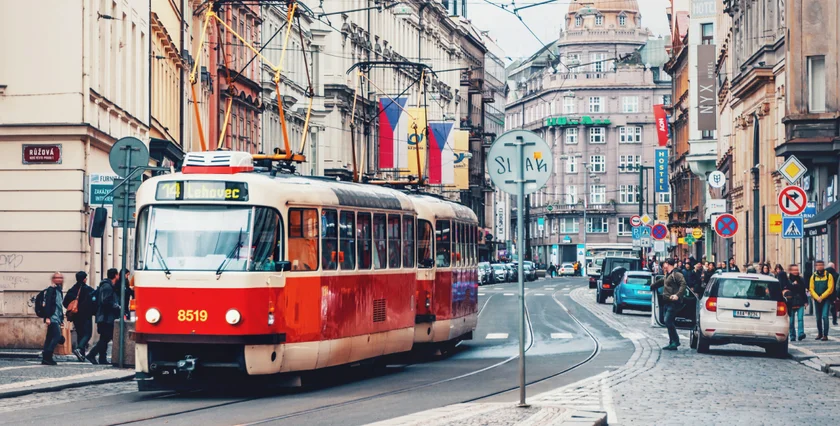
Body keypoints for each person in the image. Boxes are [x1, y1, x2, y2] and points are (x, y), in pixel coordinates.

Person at [87, 268, 121, 364]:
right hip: (105, 317)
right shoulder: (107, 287)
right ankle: (92, 354)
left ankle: (102, 358)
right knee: (106, 338)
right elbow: (105, 301)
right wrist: (117, 307)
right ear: (115, 275)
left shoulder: (108, 286)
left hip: (105, 317)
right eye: (118, 275)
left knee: (104, 338)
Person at [651, 259, 687, 350]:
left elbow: (683, 284)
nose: (663, 266)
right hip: (667, 302)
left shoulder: (676, 274)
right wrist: (652, 286)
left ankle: (675, 341)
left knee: (668, 321)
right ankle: (672, 343)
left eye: (665, 264)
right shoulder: (668, 275)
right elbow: (662, 281)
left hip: (674, 303)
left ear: (668, 264)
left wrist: (677, 295)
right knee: (668, 322)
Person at [62, 271, 96, 362]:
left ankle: (81, 356)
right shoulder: (88, 289)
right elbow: (94, 301)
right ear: (84, 279)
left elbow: (65, 303)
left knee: (80, 334)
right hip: (86, 315)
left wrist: (72, 307)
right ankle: (79, 348)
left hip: (75, 316)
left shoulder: (72, 289)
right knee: (87, 334)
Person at [40, 272, 65, 365]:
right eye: (57, 277)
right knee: (57, 336)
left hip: (57, 318)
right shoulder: (51, 290)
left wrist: (61, 319)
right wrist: (47, 317)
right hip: (52, 317)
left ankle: (45, 358)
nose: (59, 279)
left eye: (61, 278)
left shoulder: (59, 290)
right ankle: (47, 356)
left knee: (49, 338)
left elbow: (59, 306)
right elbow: (48, 304)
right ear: (53, 279)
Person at [809, 260, 835, 341]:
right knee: (818, 317)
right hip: (817, 300)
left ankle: (825, 335)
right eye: (818, 265)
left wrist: (822, 297)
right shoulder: (813, 276)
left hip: (826, 299)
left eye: (821, 265)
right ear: (815, 266)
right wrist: (817, 297)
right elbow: (811, 288)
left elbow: (830, 288)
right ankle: (820, 333)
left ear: (824, 266)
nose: (820, 266)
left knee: (825, 316)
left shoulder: (828, 276)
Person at [784, 264, 808, 341]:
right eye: (794, 270)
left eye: (797, 270)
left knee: (800, 319)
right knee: (791, 321)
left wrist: (806, 301)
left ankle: (801, 333)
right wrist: (793, 284)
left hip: (800, 301)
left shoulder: (801, 279)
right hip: (791, 303)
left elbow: (803, 291)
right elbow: (786, 290)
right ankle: (792, 335)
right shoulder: (787, 280)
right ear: (790, 271)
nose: (796, 271)